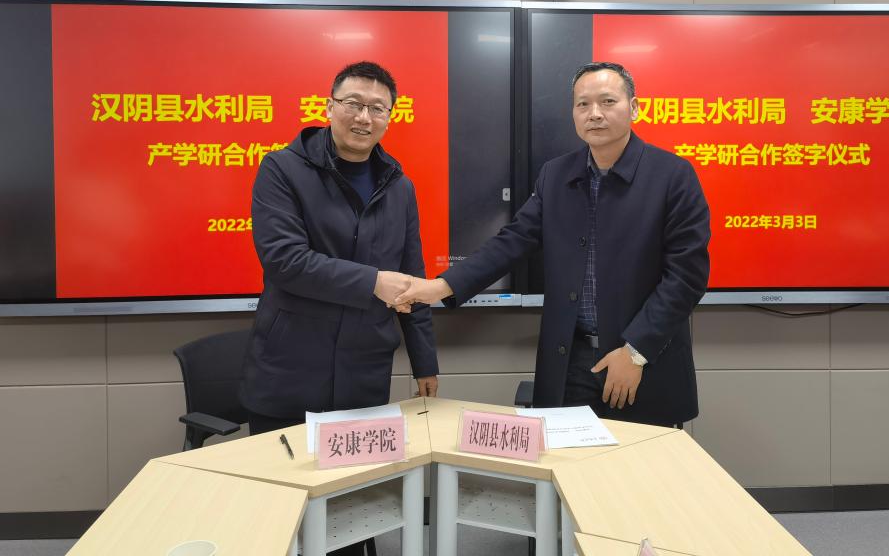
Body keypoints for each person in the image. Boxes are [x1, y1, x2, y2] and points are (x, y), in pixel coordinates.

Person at [396, 62, 710, 427]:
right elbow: (513, 241)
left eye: (608, 101)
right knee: (566, 460)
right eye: (583, 104)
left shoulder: (673, 176)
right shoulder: (556, 174)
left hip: (643, 361)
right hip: (570, 362)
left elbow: (686, 277)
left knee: (640, 462)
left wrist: (636, 351)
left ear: (634, 108)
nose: (594, 113)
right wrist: (440, 286)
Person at [240, 61, 439, 439]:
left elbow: (413, 278)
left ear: (389, 118)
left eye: (377, 108)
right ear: (329, 107)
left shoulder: (399, 187)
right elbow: (286, 261)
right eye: (353, 103)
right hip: (290, 373)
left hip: (365, 375)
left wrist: (424, 363)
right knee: (282, 475)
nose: (364, 117)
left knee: (360, 478)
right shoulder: (282, 169)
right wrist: (374, 282)